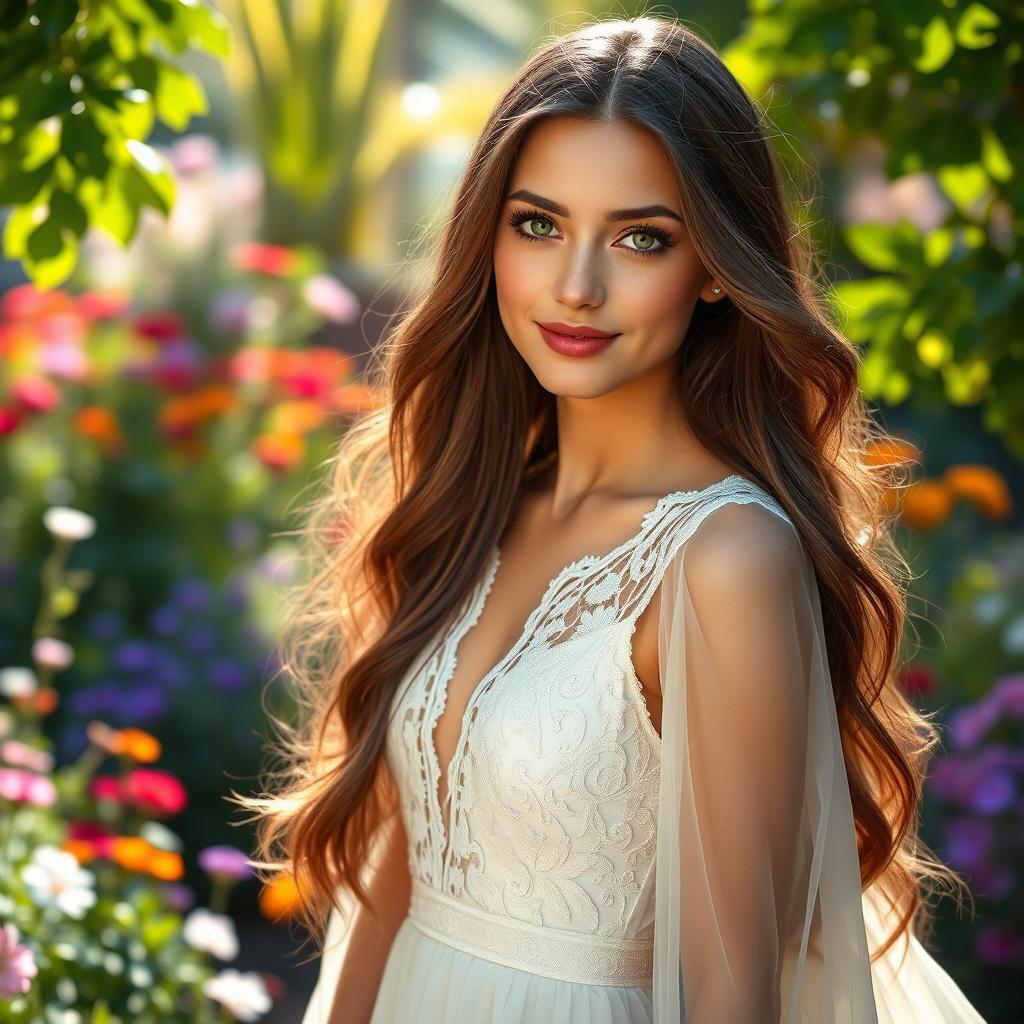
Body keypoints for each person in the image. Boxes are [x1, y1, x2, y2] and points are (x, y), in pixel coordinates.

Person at [239, 15, 990, 1024]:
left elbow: (733, 990)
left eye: (641, 238)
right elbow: (398, 873)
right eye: (537, 224)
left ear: (717, 265)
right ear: (488, 237)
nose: (576, 287)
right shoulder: (480, 501)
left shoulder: (724, 557)